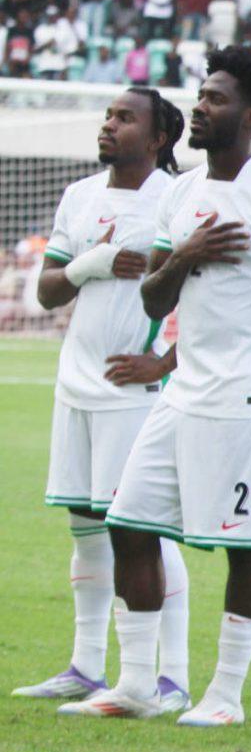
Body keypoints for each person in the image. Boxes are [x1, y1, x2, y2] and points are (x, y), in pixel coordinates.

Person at [82, 47, 251, 728]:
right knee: (128, 523)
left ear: (250, 115)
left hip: (248, 396)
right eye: (200, 94)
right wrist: (183, 258)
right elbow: (155, 301)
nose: (199, 107)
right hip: (183, 392)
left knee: (245, 545)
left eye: (213, 99)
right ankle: (136, 684)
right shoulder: (181, 191)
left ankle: (226, 694)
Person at [23, 90, 189, 714]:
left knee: (142, 531)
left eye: (125, 119)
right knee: (85, 528)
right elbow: (46, 292)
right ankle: (86, 665)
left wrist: (166, 362)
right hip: (77, 382)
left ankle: (170, 677)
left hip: (133, 391)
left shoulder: (174, 198)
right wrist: (90, 263)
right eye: (109, 116)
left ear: (157, 138)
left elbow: (208, 294)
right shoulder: (81, 196)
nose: (109, 125)